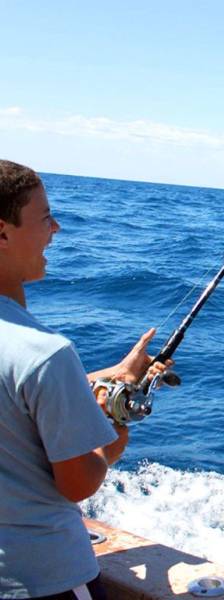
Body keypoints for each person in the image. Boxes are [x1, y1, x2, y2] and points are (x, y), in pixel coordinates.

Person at [0, 160, 172, 599]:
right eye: (44, 217)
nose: (55, 228)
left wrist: (105, 376)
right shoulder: (46, 355)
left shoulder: (37, 359)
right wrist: (114, 418)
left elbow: (14, 393)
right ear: (2, 233)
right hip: (44, 581)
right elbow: (79, 483)